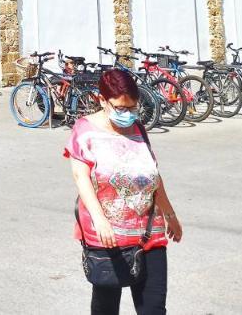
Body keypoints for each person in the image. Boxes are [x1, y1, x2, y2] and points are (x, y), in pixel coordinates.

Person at [65, 68, 182, 315]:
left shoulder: (139, 129)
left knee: (154, 309)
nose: (127, 114)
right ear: (101, 100)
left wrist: (169, 215)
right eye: (120, 108)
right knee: (106, 308)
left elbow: (152, 175)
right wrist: (99, 219)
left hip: (149, 232)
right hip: (109, 235)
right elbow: (81, 176)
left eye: (132, 108)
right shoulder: (85, 130)